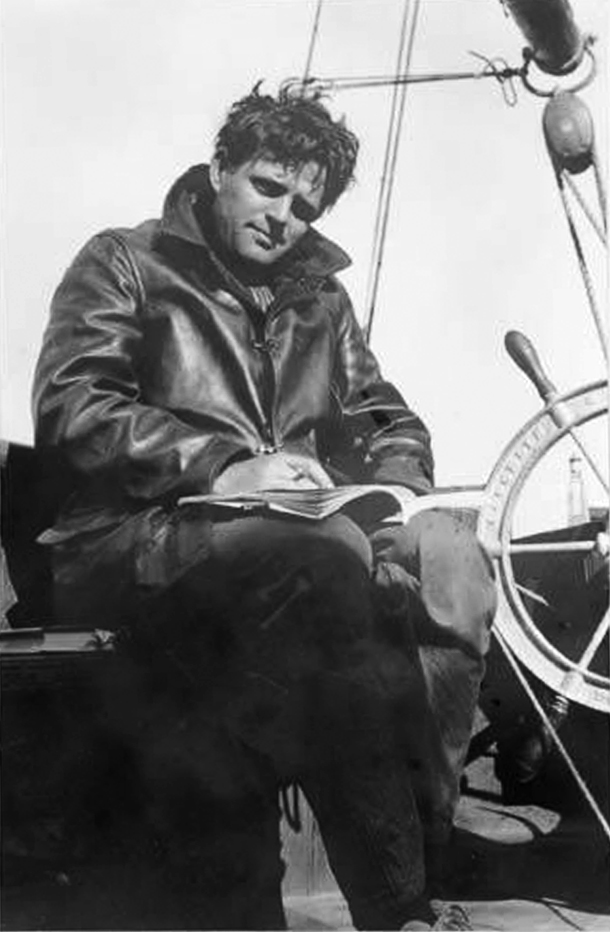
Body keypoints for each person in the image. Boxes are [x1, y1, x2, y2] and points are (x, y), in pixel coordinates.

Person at [32, 83, 496, 931]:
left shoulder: (323, 302)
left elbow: (388, 420)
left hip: (293, 551)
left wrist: (394, 495)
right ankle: (400, 908)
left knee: (446, 558)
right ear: (221, 169)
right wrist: (223, 466)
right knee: (319, 566)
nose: (284, 218)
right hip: (141, 539)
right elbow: (74, 406)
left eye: (304, 206)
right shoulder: (126, 261)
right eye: (268, 187)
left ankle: (416, 852)